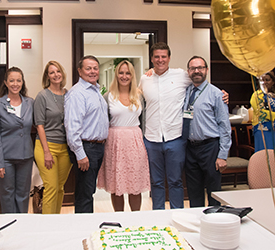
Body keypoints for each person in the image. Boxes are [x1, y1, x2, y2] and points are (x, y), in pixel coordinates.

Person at [141, 42, 229, 210]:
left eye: (164, 56)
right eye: (157, 57)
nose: (160, 60)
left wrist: (222, 95)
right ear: (152, 59)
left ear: (169, 58)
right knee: (157, 182)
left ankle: (179, 216)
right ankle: (159, 217)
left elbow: (201, 82)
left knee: (176, 181)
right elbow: (132, 97)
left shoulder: (181, 76)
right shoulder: (145, 79)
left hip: (177, 138)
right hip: (153, 139)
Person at [97, 60, 150, 212]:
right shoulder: (108, 96)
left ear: (132, 75)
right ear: (116, 75)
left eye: (128, 73)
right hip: (115, 142)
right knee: (116, 184)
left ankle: (135, 218)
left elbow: (144, 120)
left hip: (135, 141)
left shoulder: (140, 96)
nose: (124, 76)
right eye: (121, 72)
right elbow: (103, 121)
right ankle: (119, 217)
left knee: (135, 184)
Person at [183, 56, 231, 207]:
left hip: (210, 148)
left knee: (214, 192)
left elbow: (224, 126)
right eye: (193, 68)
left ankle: (214, 222)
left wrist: (223, 155)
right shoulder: (185, 92)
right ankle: (196, 224)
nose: (197, 71)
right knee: (193, 191)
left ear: (206, 70)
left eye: (200, 68)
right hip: (189, 148)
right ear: (188, 71)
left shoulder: (217, 94)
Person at [64, 55, 109, 213]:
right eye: (88, 68)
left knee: (88, 191)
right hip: (85, 148)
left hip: (96, 148)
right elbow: (72, 127)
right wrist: (80, 154)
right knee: (84, 194)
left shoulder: (95, 90)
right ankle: (83, 231)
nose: (93, 71)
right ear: (79, 71)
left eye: (95, 68)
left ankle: (87, 226)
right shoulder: (77, 93)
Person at [0, 67, 34, 213]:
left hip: (25, 156)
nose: (15, 84)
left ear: (22, 83)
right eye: (12, 80)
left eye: (18, 80)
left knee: (23, 194)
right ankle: (9, 227)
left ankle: (22, 225)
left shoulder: (30, 103)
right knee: (7, 194)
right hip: (5, 158)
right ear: (6, 83)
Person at [34, 61, 72, 214]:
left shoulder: (68, 94)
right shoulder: (42, 96)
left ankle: (56, 221)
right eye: (52, 72)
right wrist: (47, 151)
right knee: (51, 187)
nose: (56, 75)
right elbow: (39, 125)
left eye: (58, 71)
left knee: (60, 187)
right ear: (47, 76)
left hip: (65, 148)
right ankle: (46, 225)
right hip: (46, 146)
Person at [250, 71, 275, 152]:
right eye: (262, 80)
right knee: (264, 154)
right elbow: (260, 112)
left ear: (273, 82)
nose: (264, 82)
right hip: (263, 129)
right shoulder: (256, 95)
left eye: (267, 80)